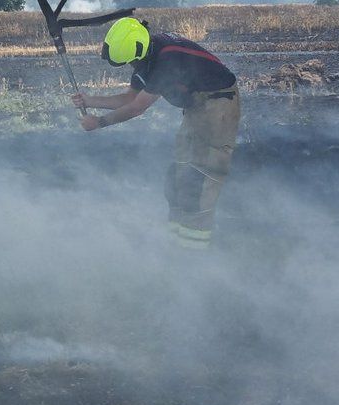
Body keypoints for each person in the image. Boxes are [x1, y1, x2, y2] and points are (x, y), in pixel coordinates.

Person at [73, 18, 240, 249]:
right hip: (196, 107)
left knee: (199, 178)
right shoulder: (147, 54)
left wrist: (99, 122)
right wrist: (90, 101)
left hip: (218, 105)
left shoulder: (167, 61)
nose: (132, 66)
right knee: (179, 174)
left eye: (131, 61)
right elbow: (130, 97)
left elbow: (137, 107)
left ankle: (194, 251)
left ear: (138, 51)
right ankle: (175, 243)